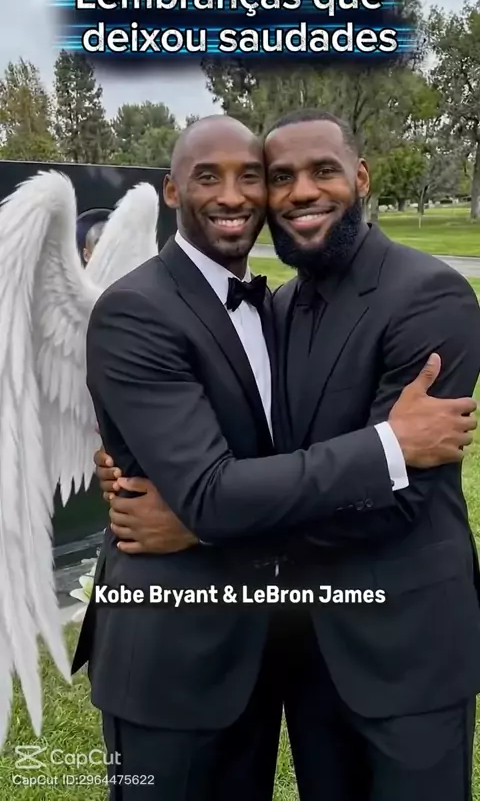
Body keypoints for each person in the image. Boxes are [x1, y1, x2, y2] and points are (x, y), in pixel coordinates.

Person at [74, 114, 478, 801]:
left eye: (320, 171)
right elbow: (223, 468)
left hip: (405, 650)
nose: (298, 192)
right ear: (172, 191)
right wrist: (173, 484)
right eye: (282, 176)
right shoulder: (230, 306)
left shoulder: (429, 296)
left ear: (361, 177)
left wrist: (198, 522)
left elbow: (400, 497)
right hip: (202, 657)